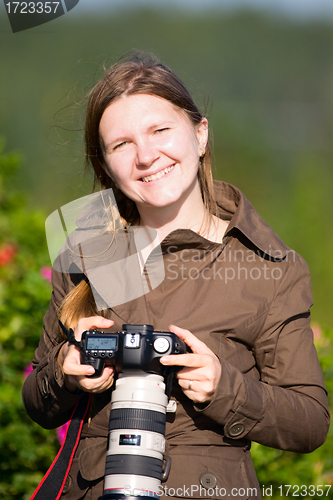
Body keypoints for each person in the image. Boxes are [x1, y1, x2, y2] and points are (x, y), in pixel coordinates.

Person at [23, 52, 330, 500]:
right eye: (121, 145)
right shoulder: (84, 255)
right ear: (105, 164)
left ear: (200, 134)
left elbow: (309, 422)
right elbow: (36, 400)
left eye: (160, 130)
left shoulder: (269, 266)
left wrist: (225, 387)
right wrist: (65, 374)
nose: (146, 156)